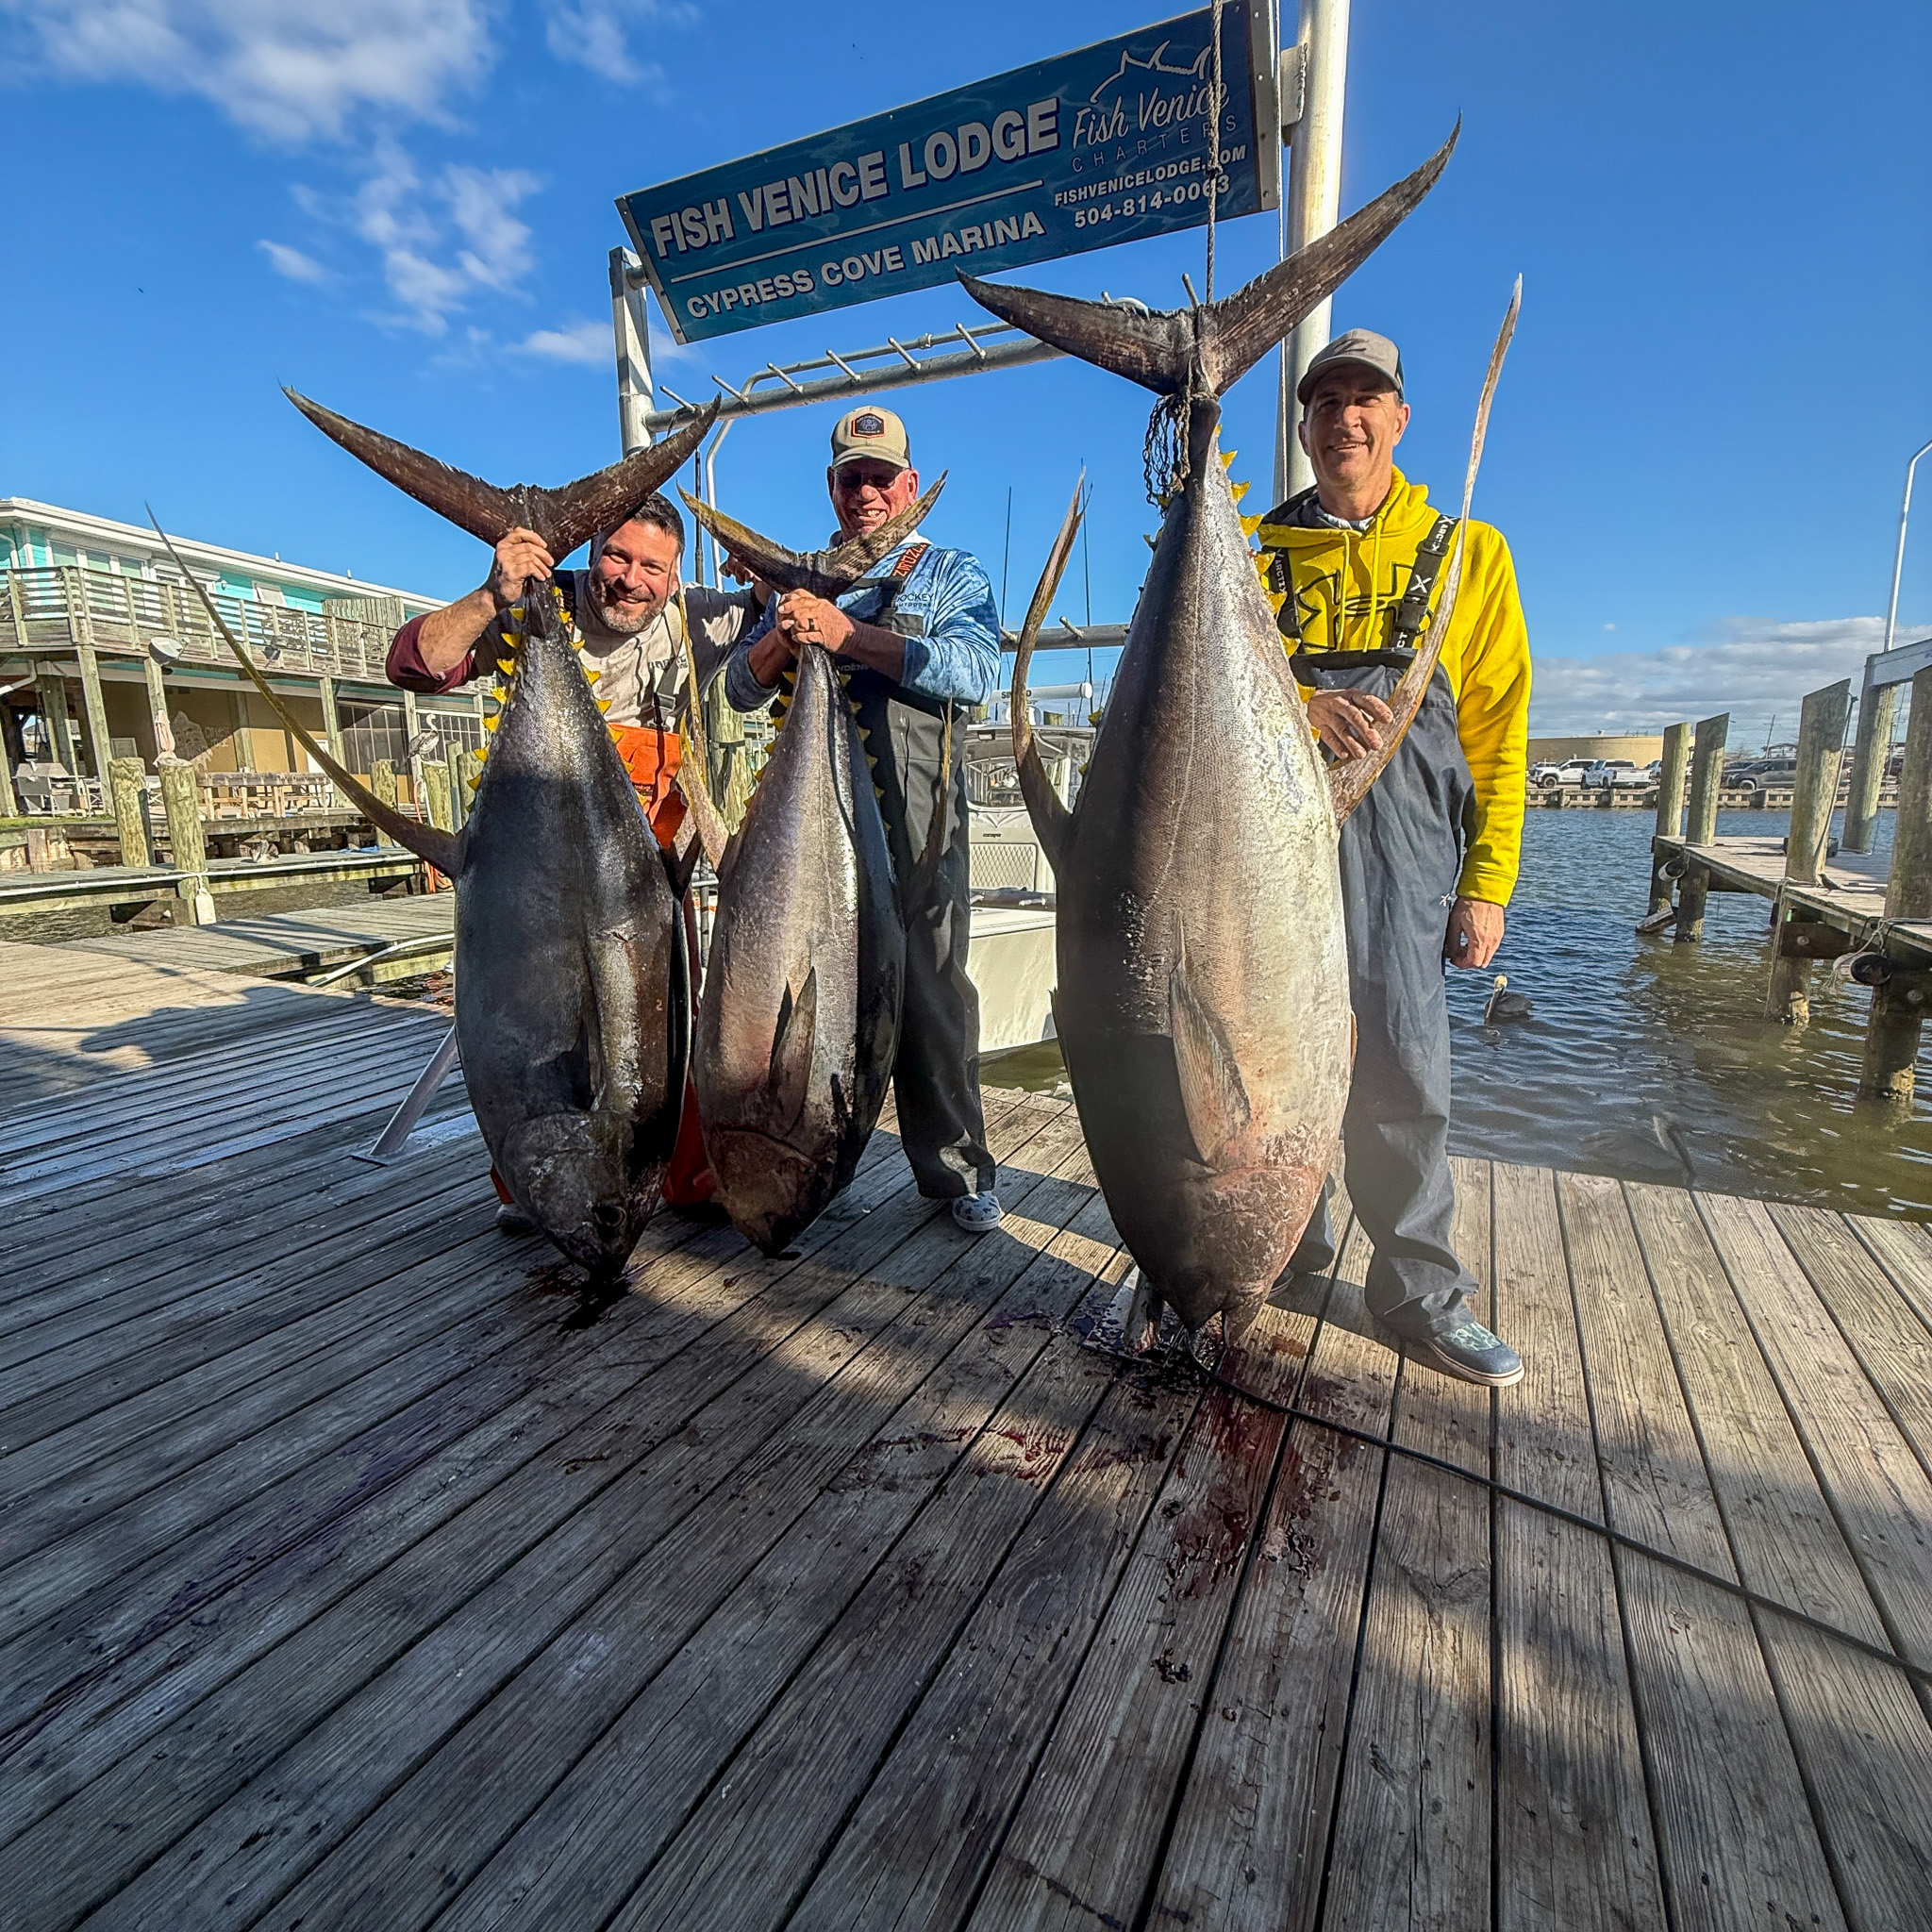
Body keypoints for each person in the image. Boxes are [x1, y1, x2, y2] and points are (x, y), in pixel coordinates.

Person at [1252, 329, 1530, 1387]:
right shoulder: (1248, 548)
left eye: (1366, 399)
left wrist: (1486, 881)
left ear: (1399, 418)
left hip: (1404, 853)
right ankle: (1281, 1244)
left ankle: (1416, 1287)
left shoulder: (1469, 553)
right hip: (1270, 849)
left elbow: (1497, 733)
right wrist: (1294, 701)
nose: (1346, 418)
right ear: (1303, 423)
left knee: (1403, 1065)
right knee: (1266, 1050)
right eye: (1326, 401)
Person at [387, 491, 761, 1227]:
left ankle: (681, 1177)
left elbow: (775, 620)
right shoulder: (535, 602)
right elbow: (411, 664)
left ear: (677, 574)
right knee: (541, 1020)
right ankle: (539, 1184)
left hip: (647, 865)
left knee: (663, 1027)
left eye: (653, 566)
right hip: (546, 868)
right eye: (617, 557)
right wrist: (492, 595)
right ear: (591, 556)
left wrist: (773, 580)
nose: (631, 579)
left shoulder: (701, 619)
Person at [720, 406, 1004, 1231]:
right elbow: (740, 691)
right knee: (800, 988)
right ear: (834, 488)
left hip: (917, 823)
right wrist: (783, 633)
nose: (869, 491)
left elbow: (975, 670)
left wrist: (848, 635)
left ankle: (956, 1172)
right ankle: (800, 1152)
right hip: (807, 822)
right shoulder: (790, 583)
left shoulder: (951, 571)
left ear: (910, 486)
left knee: (934, 991)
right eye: (853, 478)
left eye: (884, 478)